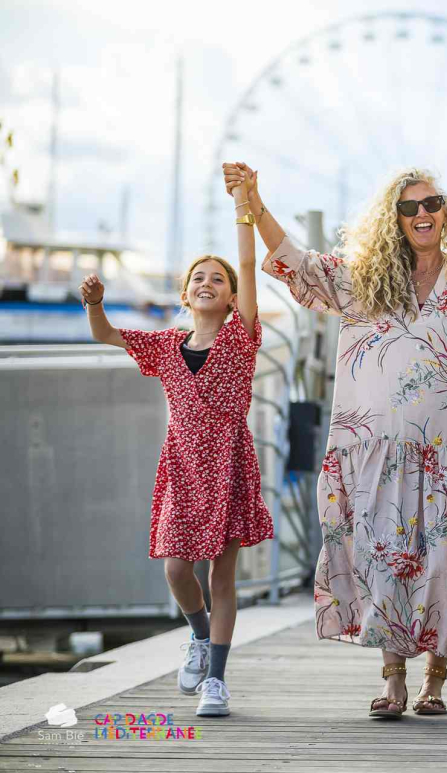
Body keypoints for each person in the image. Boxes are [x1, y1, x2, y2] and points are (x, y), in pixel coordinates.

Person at [223, 153, 447, 719]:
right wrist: (255, 205)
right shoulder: (364, 279)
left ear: (445, 212)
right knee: (385, 565)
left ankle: (435, 678)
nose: (422, 213)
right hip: (377, 455)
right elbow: (296, 262)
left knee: (441, 567)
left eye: (432, 203)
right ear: (395, 219)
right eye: (409, 207)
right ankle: (393, 680)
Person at [78, 181, 272, 719]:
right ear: (185, 295)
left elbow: (250, 266)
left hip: (228, 466)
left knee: (222, 576)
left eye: (219, 279)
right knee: (175, 570)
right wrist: (94, 303)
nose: (208, 283)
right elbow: (106, 336)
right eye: (198, 278)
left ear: (232, 298)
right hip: (182, 469)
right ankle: (199, 637)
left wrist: (243, 210)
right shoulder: (165, 345)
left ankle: (217, 680)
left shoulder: (242, 338)